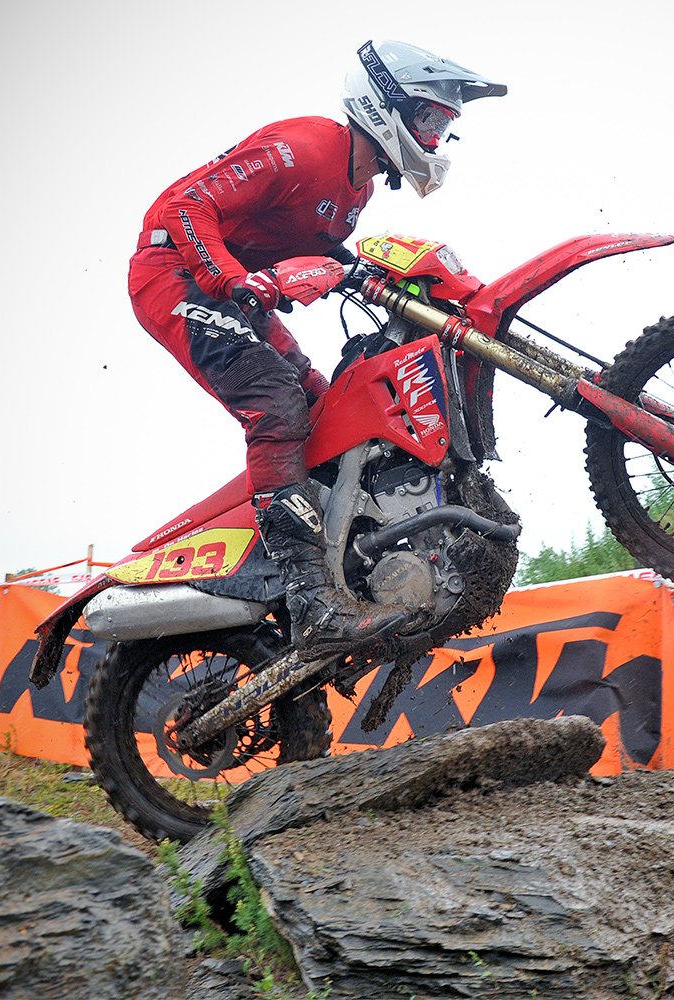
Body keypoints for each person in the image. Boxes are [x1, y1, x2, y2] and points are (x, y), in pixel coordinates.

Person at [127, 40, 506, 659]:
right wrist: (231, 280)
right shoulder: (303, 146)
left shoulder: (358, 192)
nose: (434, 137)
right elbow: (186, 207)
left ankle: (333, 560)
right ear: (385, 104)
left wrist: (371, 272)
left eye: (442, 126)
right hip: (175, 273)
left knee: (323, 404)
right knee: (276, 407)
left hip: (236, 289)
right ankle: (311, 597)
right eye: (428, 119)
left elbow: (318, 251)